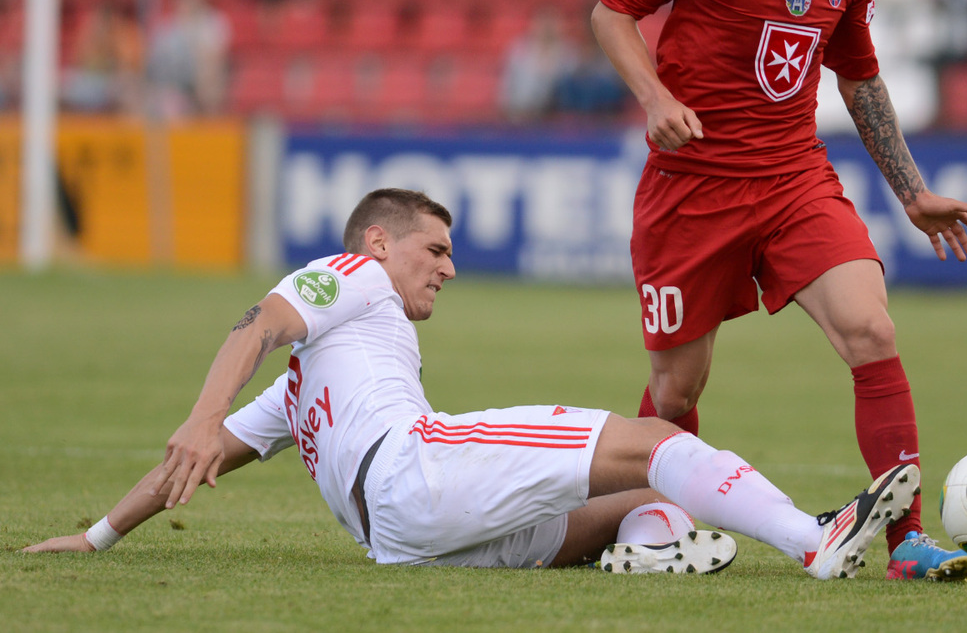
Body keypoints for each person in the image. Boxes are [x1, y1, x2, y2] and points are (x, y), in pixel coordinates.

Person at [23, 189, 918, 580]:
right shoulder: (351, 274)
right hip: (416, 470)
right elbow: (258, 324)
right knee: (656, 439)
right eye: (436, 249)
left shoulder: (300, 394)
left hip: (407, 542)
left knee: (646, 490)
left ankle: (652, 546)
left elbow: (196, 463)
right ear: (379, 243)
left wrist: (98, 537)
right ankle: (813, 540)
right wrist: (199, 413)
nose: (448, 269)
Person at [589, 0, 967, 583]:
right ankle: (649, 523)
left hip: (792, 179)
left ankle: (907, 543)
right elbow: (611, 12)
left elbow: (859, 77)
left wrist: (911, 191)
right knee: (675, 390)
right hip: (692, 189)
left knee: (871, 331)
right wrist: (656, 98)